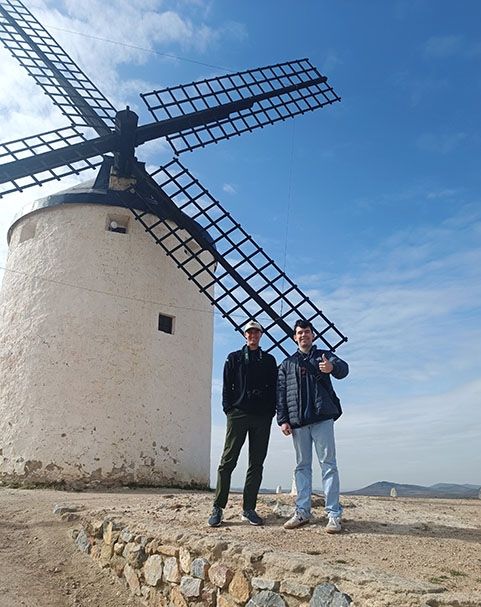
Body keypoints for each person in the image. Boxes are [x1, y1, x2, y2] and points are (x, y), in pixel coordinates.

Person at [276, 319, 348, 533]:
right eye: (299, 333)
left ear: (313, 335)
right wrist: (283, 419)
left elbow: (343, 369)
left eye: (307, 332)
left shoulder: (323, 356)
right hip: (298, 422)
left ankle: (333, 514)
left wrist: (331, 367)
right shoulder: (287, 363)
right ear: (294, 337)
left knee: (328, 464)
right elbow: (280, 393)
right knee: (302, 466)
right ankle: (302, 511)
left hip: (322, 417)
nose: (303, 335)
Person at [208, 320, 278, 527]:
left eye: (256, 332)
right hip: (238, 414)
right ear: (245, 335)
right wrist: (229, 409)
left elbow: (275, 387)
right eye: (250, 332)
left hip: (262, 417)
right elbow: (226, 385)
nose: (253, 335)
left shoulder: (268, 360)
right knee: (227, 461)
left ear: (261, 334)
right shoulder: (234, 358)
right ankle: (218, 507)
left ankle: (249, 509)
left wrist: (271, 411)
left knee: (256, 463)